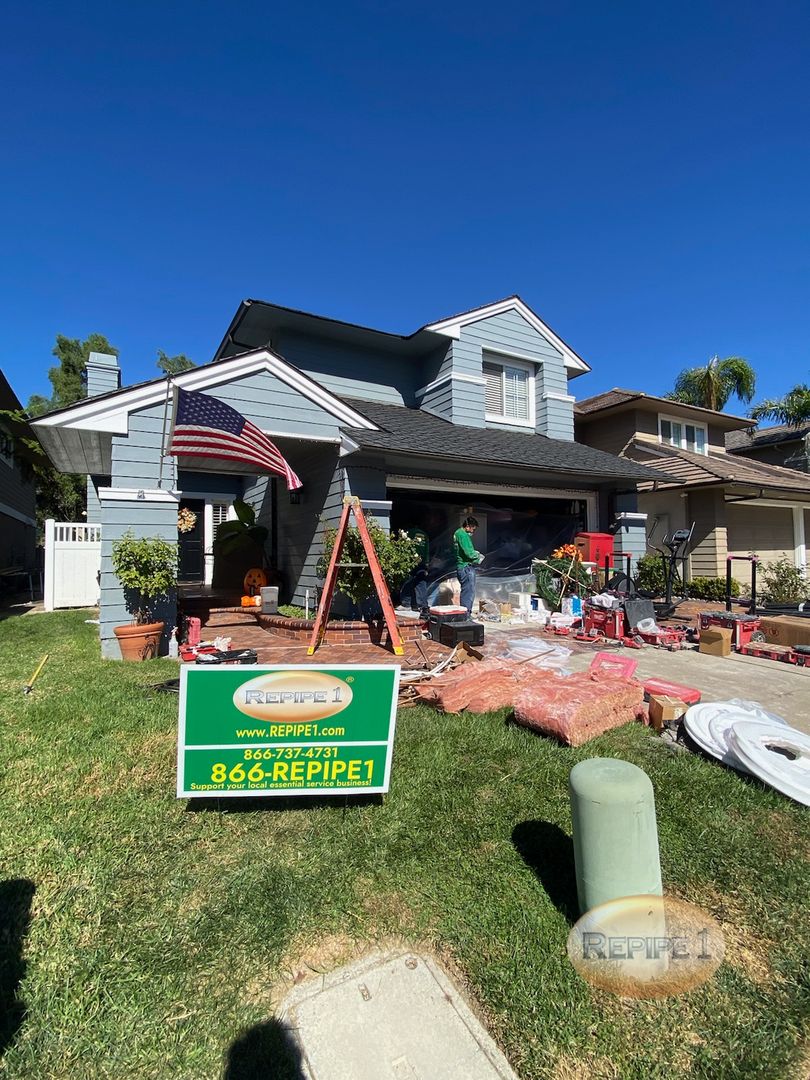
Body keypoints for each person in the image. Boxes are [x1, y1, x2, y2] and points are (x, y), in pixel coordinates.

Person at [453, 516, 484, 615]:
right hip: (466, 567)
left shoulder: (457, 533)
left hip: (461, 566)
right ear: (468, 526)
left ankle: (464, 614)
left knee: (466, 591)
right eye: (472, 529)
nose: (473, 532)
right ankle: (466, 615)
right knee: (468, 593)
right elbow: (469, 553)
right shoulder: (463, 535)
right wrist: (478, 557)